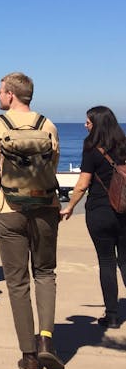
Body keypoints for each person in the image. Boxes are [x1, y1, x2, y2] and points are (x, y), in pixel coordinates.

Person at [0, 72, 64, 369]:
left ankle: (29, 356)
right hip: (45, 206)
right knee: (45, 272)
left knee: (17, 282)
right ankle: (46, 341)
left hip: (7, 207)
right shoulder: (48, 125)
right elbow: (52, 166)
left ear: (11, 94)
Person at [60, 106, 126, 329]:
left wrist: (69, 207)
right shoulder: (124, 146)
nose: (85, 125)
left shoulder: (91, 149)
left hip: (100, 211)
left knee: (106, 262)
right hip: (124, 211)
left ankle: (112, 315)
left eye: (88, 122)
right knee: (125, 261)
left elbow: (82, 184)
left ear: (96, 124)